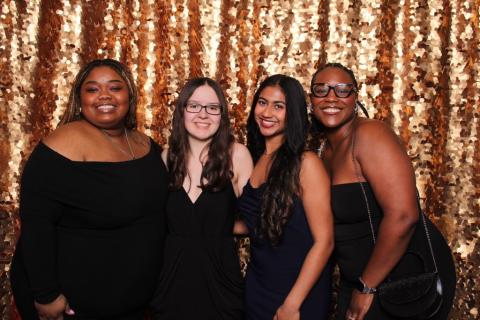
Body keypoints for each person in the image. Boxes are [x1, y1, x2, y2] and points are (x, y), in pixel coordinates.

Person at [10, 58, 168, 320]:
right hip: (74, 306)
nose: (104, 95)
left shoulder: (144, 144)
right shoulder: (63, 144)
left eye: (115, 87)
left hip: (133, 303)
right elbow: (36, 225)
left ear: (130, 94)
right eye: (92, 89)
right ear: (80, 100)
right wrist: (46, 295)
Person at [310, 62, 456, 320]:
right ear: (311, 99)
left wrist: (367, 286)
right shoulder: (324, 151)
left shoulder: (370, 134)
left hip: (404, 277)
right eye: (321, 90)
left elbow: (403, 215)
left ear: (355, 97)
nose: (331, 97)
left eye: (342, 90)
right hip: (359, 278)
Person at [150, 77, 253, 319]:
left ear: (221, 115)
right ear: (182, 111)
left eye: (212, 108)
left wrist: (221, 227)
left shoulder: (237, 155)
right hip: (171, 282)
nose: (203, 114)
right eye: (194, 106)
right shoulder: (166, 157)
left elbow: (258, 220)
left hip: (220, 283)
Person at [236, 74, 334, 320]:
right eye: (262, 102)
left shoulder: (306, 164)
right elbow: (257, 224)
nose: (267, 112)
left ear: (294, 114)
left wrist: (292, 304)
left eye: (279, 106)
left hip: (297, 293)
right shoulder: (256, 159)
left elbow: (325, 242)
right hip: (258, 286)